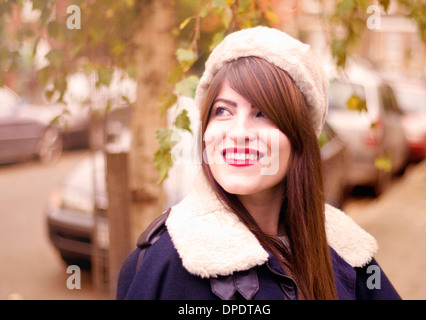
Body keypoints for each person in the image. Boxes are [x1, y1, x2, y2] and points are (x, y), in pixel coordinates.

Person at [117, 26, 401, 300]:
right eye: (223, 111)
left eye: (262, 113)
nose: (239, 134)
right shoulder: (166, 261)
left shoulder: (347, 249)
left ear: (298, 137)